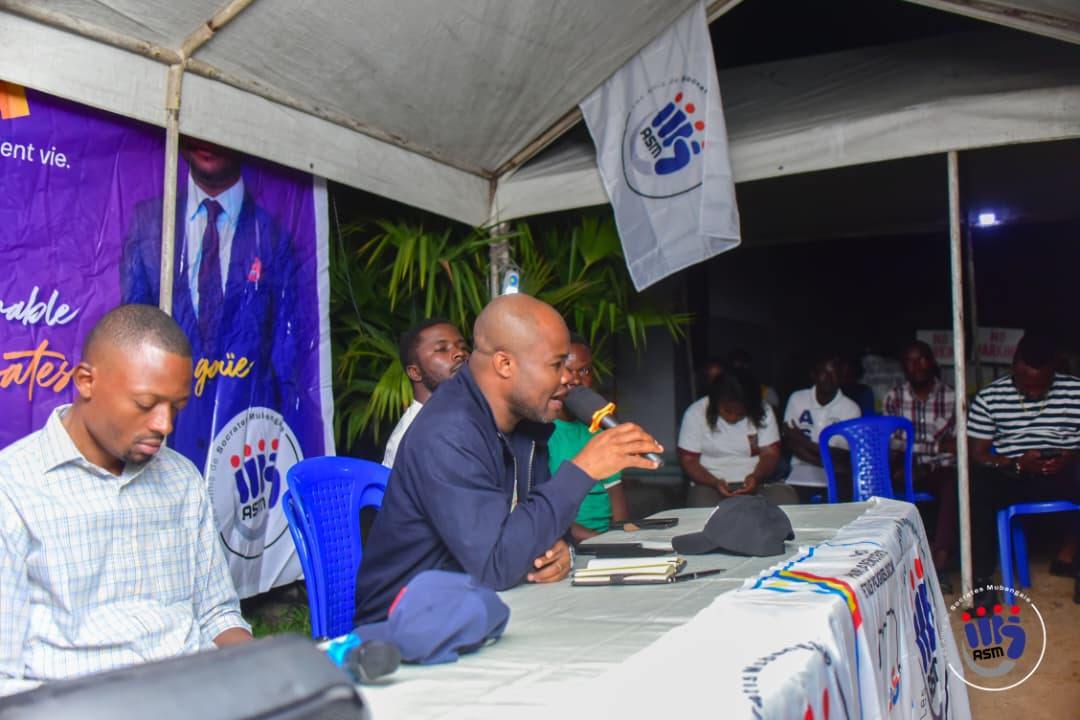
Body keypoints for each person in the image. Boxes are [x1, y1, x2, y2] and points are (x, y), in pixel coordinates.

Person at [354, 295, 663, 623]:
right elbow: (495, 565)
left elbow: (530, 524)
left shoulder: (524, 424)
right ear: (504, 364)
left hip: (483, 604)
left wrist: (558, 549)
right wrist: (583, 469)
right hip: (404, 627)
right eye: (556, 364)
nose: (567, 379)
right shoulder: (447, 432)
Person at [0, 305, 251, 696]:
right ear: (86, 381)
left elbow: (218, 614)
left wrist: (266, 677)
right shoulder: (12, 489)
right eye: (146, 404)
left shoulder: (181, 478)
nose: (164, 425)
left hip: (196, 693)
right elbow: (5, 673)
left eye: (176, 408)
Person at [120, 135, 310, 467]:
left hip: (244, 448)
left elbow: (286, 357)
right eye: (197, 130)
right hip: (164, 441)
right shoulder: (151, 222)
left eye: (219, 130)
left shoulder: (273, 236)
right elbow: (132, 334)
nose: (208, 140)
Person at [967, 333, 1080, 606]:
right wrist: (1017, 462)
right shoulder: (990, 397)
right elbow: (977, 455)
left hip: (1065, 472)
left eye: (1042, 386)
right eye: (1027, 386)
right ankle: (982, 582)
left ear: (1054, 371)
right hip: (1015, 475)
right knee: (977, 485)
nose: (1034, 393)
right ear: (1014, 367)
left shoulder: (1075, 391)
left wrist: (1070, 456)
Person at [882, 340, 958, 588]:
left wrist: (913, 447)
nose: (917, 366)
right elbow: (892, 443)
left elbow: (957, 445)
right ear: (903, 366)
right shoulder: (893, 398)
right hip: (905, 468)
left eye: (922, 359)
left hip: (939, 469)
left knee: (953, 483)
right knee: (885, 483)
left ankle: (939, 562)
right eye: (910, 361)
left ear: (932, 361)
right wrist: (935, 448)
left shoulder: (951, 395)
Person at [547, 334, 632, 542]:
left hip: (605, 539)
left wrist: (622, 540)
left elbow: (616, 497)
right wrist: (599, 542)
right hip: (565, 540)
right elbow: (544, 514)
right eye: (567, 370)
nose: (576, 380)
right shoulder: (542, 433)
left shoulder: (600, 426)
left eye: (584, 371)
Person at [678, 367, 795, 506]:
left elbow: (770, 454)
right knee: (701, 506)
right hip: (709, 484)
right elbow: (689, 460)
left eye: (740, 414)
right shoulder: (696, 412)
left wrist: (755, 477)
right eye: (727, 411)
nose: (732, 417)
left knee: (785, 498)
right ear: (716, 401)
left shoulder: (764, 410)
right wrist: (715, 482)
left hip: (758, 482)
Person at [382, 318, 469, 468]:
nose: (460, 353)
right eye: (442, 349)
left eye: (463, 347)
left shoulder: (470, 416)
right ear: (415, 372)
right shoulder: (410, 438)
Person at [781, 353, 862, 503]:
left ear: (841, 376)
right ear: (814, 375)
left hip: (837, 475)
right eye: (824, 373)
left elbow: (844, 455)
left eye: (834, 373)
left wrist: (804, 441)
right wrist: (827, 462)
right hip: (800, 469)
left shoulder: (851, 408)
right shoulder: (797, 398)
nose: (829, 378)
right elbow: (791, 443)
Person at [725, 348, 780, 413]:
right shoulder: (723, 394)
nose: (740, 374)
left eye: (743, 367)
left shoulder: (767, 392)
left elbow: (775, 415)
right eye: (735, 369)